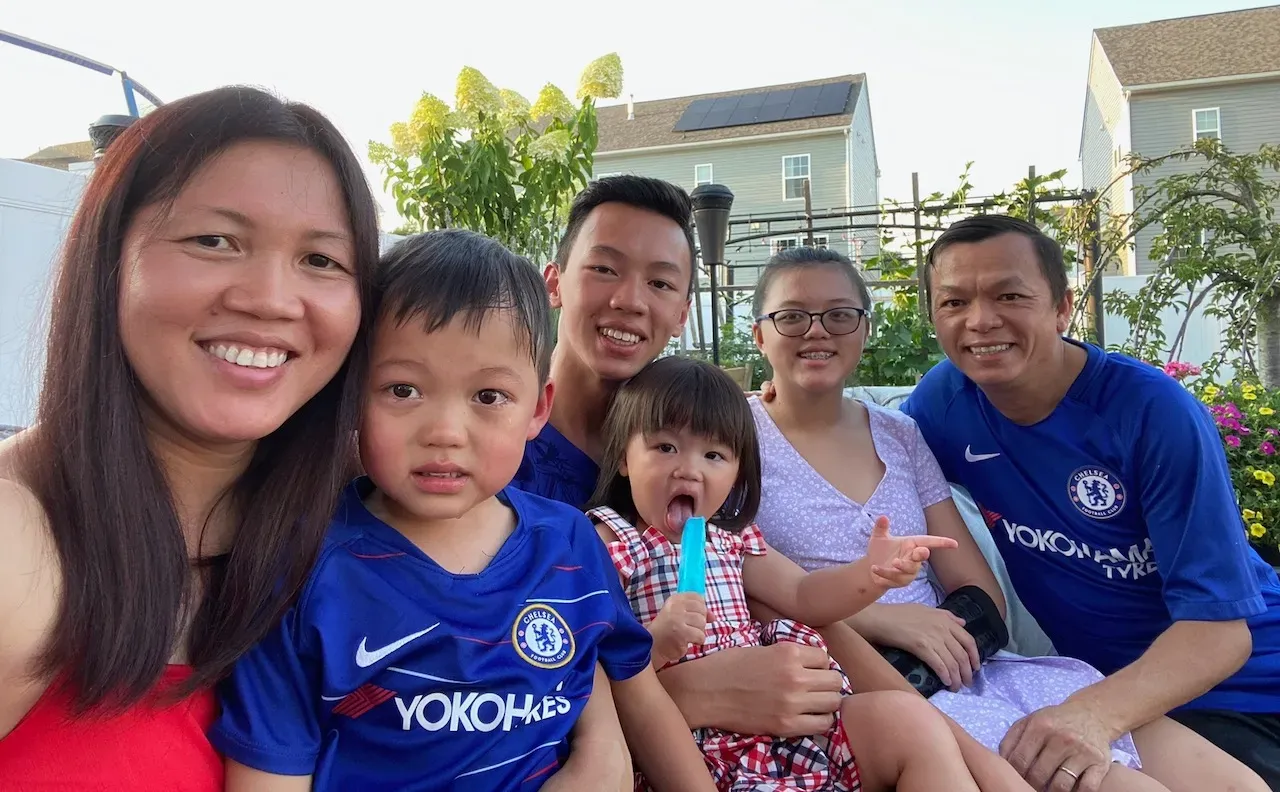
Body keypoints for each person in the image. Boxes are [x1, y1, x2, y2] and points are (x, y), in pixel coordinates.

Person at [749, 245, 1273, 792]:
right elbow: (738, 578)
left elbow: (977, 589)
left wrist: (950, 635)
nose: (816, 331)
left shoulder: (904, 433)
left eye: (839, 315)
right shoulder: (730, 444)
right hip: (867, 677)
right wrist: (878, 618)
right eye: (790, 317)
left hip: (973, 666)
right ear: (760, 334)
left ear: (864, 328)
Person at [211, 229, 715, 791]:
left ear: (536, 409)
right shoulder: (299, 573)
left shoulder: (570, 545)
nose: (446, 433)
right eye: (403, 390)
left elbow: (640, 702)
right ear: (352, 395)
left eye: (488, 397)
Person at [0, 86, 380, 789]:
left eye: (322, 260)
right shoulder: (18, 542)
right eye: (214, 241)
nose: (269, 298)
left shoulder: (363, 524)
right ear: (110, 259)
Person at [899, 214, 1275, 790]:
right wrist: (776, 415)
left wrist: (1093, 714)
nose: (980, 321)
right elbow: (870, 467)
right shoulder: (943, 403)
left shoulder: (1151, 412)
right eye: (954, 302)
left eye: (1010, 295)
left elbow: (1220, 630)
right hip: (1103, 687)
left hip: (1246, 690)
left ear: (1062, 307)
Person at [586, 354, 981, 791]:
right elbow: (601, 665)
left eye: (714, 454)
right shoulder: (608, 544)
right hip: (690, 746)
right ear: (624, 456)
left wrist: (872, 573)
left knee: (911, 723)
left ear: (737, 474)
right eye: (665, 447)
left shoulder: (734, 541)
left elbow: (805, 595)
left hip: (789, 728)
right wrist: (659, 642)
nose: (689, 469)